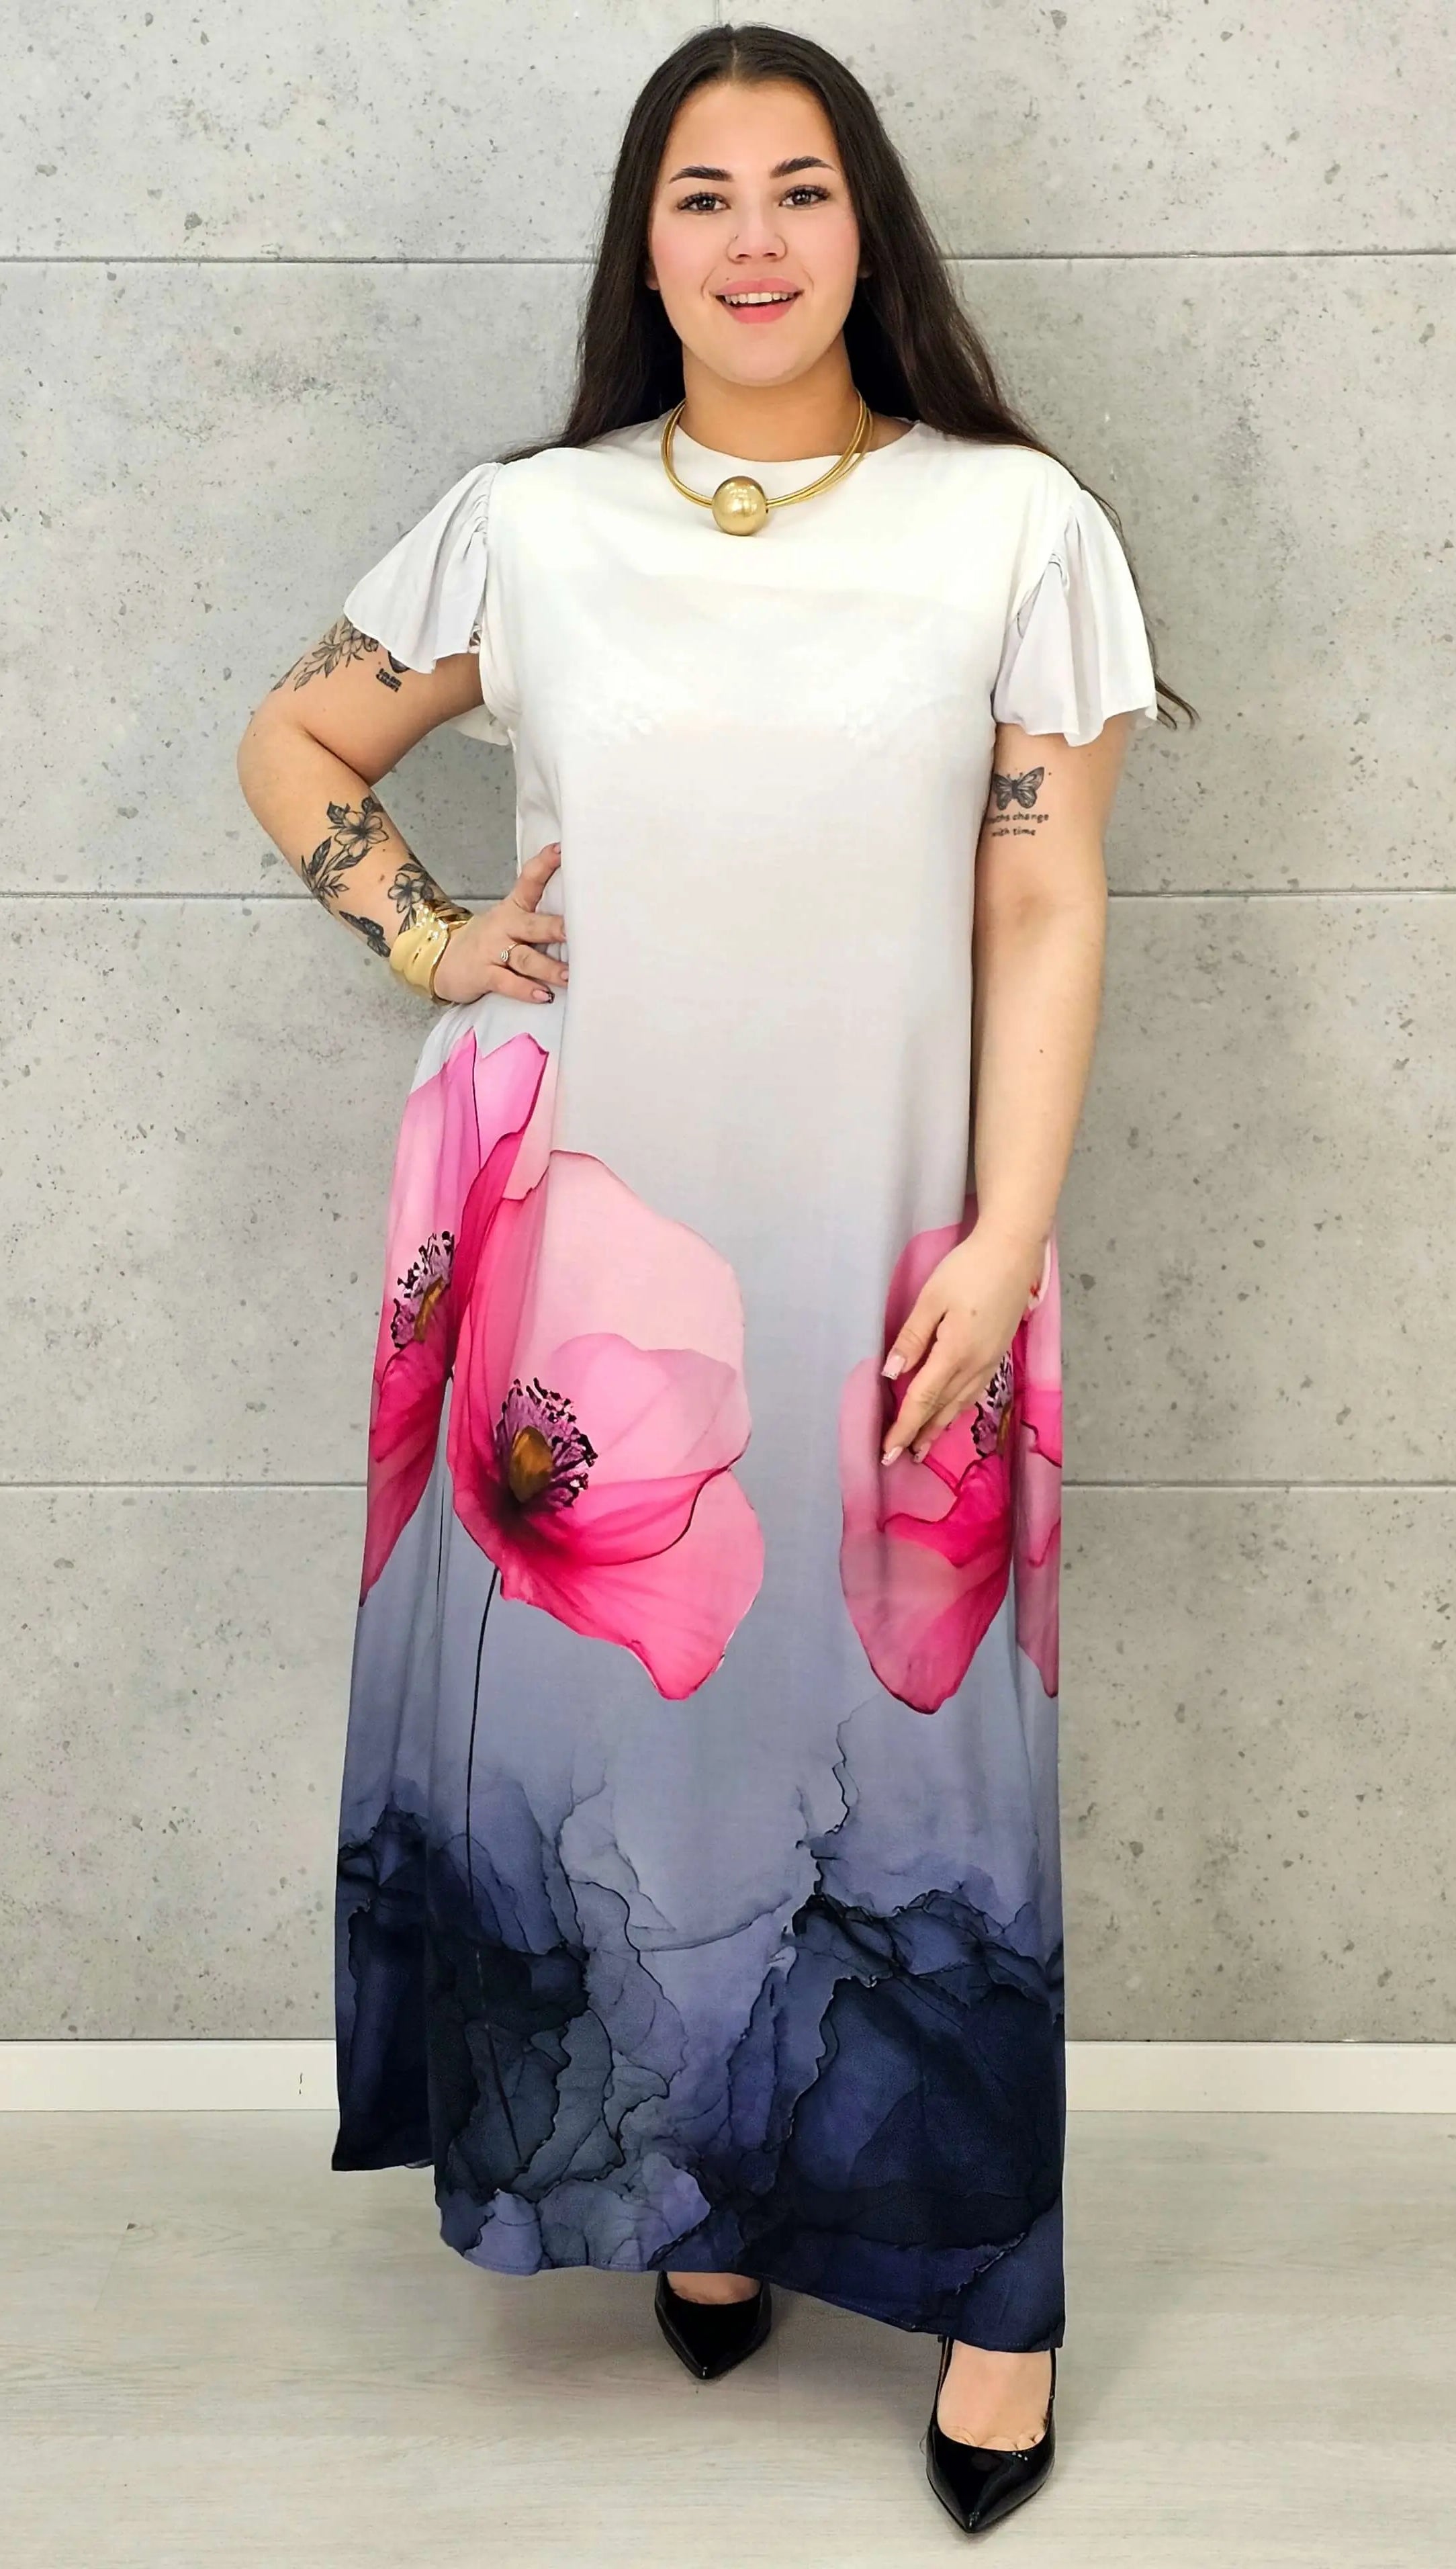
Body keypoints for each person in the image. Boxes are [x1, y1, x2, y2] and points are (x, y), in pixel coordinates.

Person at [236, 20, 1191, 2537]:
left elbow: (1043, 894)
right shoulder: (530, 525)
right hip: (591, 1267)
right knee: (642, 1757)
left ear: (868, 230)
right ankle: (696, 2194)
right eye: (701, 194)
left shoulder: (1011, 525)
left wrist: (1009, 1233)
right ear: (643, 247)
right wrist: (434, 940)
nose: (753, 239)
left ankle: (996, 2303)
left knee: (928, 1773)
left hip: (898, 1234)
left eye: (798, 188)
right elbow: (296, 746)